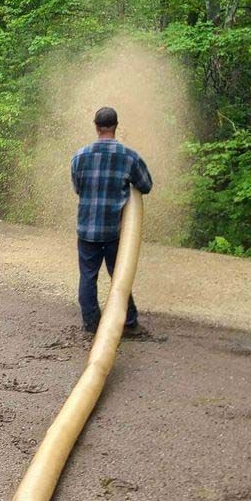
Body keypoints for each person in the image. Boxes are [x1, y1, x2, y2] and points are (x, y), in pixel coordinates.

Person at [71, 106, 153, 335]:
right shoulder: (129, 157)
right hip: (114, 231)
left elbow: (78, 189)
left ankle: (92, 325)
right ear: (116, 126)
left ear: (96, 127)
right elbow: (146, 186)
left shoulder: (79, 157)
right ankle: (129, 323)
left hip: (86, 229)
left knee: (88, 277)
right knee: (119, 277)